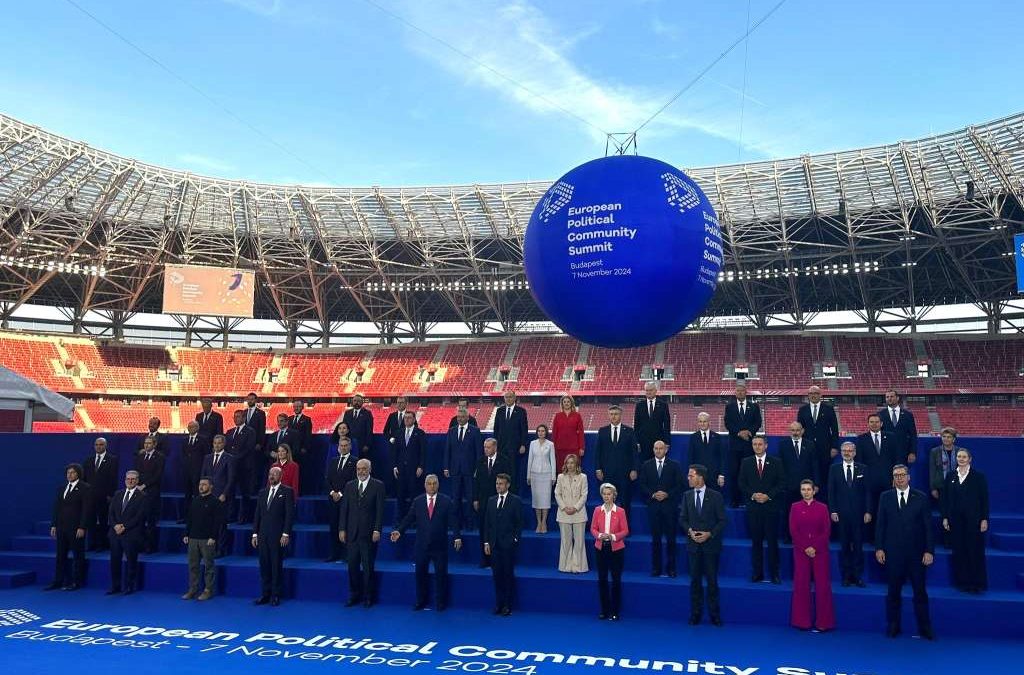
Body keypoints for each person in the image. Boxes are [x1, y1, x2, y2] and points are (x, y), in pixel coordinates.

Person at [875, 464, 934, 639]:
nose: (899, 478)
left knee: (920, 592)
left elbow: (928, 527)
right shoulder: (885, 497)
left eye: (902, 475)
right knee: (893, 591)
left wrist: (929, 551)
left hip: (917, 554)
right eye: (896, 475)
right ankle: (894, 625)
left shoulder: (921, 497)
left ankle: (925, 627)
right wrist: (879, 548)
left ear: (909, 477)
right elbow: (880, 525)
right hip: (893, 553)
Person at [391, 474, 462, 611]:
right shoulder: (418, 501)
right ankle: (421, 601)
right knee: (420, 574)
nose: (432, 486)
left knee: (441, 575)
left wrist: (457, 537)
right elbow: (409, 518)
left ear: (438, 485)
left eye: (434, 483)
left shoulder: (446, 501)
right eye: (429, 483)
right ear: (425, 485)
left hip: (439, 545)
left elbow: (453, 520)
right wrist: (399, 531)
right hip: (421, 545)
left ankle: (440, 602)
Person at [680, 464, 726, 626]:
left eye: (691, 475)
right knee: (695, 581)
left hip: (710, 546)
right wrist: (690, 531)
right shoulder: (686, 496)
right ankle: (695, 613)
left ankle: (715, 614)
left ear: (700, 477)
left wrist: (709, 534)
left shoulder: (715, 496)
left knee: (712, 581)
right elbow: (683, 519)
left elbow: (722, 521)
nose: (688, 478)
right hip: (693, 546)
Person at [790, 479, 834, 632]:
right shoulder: (795, 507)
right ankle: (802, 621)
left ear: (814, 491)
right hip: (801, 552)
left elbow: (826, 530)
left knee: (823, 586)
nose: (806, 492)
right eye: (803, 489)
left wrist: (814, 546)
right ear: (800, 491)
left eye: (809, 489)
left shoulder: (823, 508)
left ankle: (824, 622)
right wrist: (805, 547)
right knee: (801, 585)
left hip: (820, 551)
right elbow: (793, 530)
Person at [942, 449, 989, 594]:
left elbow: (984, 500)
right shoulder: (950, 476)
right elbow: (945, 500)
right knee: (959, 551)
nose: (961, 459)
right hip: (956, 521)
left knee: (974, 551)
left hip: (974, 521)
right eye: (959, 456)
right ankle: (962, 582)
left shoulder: (978, 477)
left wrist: (984, 519)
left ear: (970, 459)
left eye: (964, 457)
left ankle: (977, 583)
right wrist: (945, 517)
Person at [339, 459, 385, 607]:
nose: (361, 472)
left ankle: (368, 597)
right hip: (352, 534)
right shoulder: (349, 486)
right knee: (352, 566)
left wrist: (377, 529)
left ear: (370, 469)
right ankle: (354, 595)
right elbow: (344, 509)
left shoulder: (378, 486)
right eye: (359, 469)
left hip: (369, 534)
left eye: (364, 469)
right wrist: (342, 529)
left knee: (368, 568)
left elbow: (380, 511)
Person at [739, 435, 784, 583]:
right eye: (754, 444)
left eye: (760, 444)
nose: (757, 447)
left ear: (766, 446)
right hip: (754, 509)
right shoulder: (746, 462)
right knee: (756, 543)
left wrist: (768, 496)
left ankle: (774, 573)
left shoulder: (776, 463)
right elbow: (742, 483)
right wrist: (753, 495)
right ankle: (757, 573)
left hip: (771, 508)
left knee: (772, 542)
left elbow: (781, 483)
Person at [638, 440, 684, 577]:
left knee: (671, 539)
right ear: (653, 450)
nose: (658, 450)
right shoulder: (646, 465)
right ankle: (656, 568)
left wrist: (667, 494)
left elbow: (680, 485)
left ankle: (671, 568)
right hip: (653, 507)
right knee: (656, 540)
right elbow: (642, 484)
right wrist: (652, 494)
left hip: (669, 507)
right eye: (656, 448)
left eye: (660, 448)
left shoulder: (674, 465)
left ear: (666, 450)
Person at [827, 441, 870, 587]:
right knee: (844, 546)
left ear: (855, 453)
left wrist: (868, 511)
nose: (847, 453)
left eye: (850, 450)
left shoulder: (863, 468)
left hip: (859, 515)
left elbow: (867, 493)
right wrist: (832, 510)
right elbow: (831, 492)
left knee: (858, 546)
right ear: (841, 452)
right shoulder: (834, 469)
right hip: (841, 515)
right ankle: (846, 576)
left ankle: (857, 576)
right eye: (844, 450)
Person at [252, 466, 295, 606]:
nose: (272, 476)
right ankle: (265, 594)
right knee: (264, 565)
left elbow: (289, 515)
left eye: (275, 474)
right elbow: (257, 514)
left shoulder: (287, 492)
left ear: (280, 476)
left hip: (278, 535)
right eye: (270, 474)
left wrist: (286, 533)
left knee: (276, 565)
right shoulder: (262, 493)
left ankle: (276, 595)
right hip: (263, 535)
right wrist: (254, 533)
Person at [46, 463, 91, 591]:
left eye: (72, 472)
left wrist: (82, 527)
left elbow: (86, 510)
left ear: (78, 474)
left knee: (78, 555)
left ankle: (77, 582)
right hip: (61, 527)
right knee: (60, 555)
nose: (69, 475)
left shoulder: (85, 488)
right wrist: (54, 524)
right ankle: (58, 581)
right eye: (68, 473)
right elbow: (57, 508)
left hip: (76, 528)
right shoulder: (62, 488)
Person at [483, 473, 523, 616]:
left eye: (501, 483)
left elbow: (519, 524)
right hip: (494, 545)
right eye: (497, 483)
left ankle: (507, 605)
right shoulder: (491, 501)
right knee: (496, 576)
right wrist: (487, 541)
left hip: (508, 545)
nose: (498, 486)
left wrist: (515, 540)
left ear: (507, 485)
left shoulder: (515, 501)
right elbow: (487, 523)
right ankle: (498, 604)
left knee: (507, 575)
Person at [590, 483, 629, 621]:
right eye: (604, 494)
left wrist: (612, 536)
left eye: (609, 494)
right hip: (601, 548)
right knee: (602, 579)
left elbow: (625, 530)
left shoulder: (620, 511)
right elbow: (593, 528)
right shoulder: (597, 510)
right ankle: (604, 610)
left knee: (616, 580)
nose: (607, 496)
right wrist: (600, 536)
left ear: (614, 495)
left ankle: (615, 611)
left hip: (616, 549)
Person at [182, 477, 224, 600]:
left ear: (211, 486)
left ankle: (208, 590)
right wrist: (186, 534)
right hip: (193, 539)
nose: (201, 487)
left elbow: (217, 522)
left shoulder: (215, 502)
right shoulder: (195, 501)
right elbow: (189, 519)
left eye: (204, 484)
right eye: (200, 484)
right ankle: (193, 589)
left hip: (207, 539)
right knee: (193, 566)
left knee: (208, 566)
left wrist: (213, 537)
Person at [107, 470, 147, 595]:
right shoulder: (118, 494)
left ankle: (130, 586)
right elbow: (111, 513)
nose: (130, 481)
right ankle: (115, 586)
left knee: (131, 560)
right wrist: (115, 526)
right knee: (115, 560)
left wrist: (124, 526)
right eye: (128, 479)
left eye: (133, 479)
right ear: (125, 480)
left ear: (137, 481)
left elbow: (139, 516)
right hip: (115, 533)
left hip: (131, 533)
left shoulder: (142, 496)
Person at [443, 407, 483, 531]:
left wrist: (478, 468)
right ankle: (456, 524)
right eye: (458, 417)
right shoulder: (451, 431)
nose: (459, 419)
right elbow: (447, 450)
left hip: (470, 471)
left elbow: (479, 452)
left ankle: (470, 524)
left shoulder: (475, 431)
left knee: (470, 498)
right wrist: (446, 467)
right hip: (455, 470)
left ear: (467, 417)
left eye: (462, 417)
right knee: (456, 498)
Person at [857, 414, 896, 541]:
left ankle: (887, 536)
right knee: (871, 509)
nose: (874, 424)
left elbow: (896, 458)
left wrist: (895, 477)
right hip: (869, 482)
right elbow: (860, 462)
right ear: (867, 424)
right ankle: (872, 537)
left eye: (876, 421)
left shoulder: (891, 437)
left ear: (881, 423)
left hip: (888, 480)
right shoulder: (861, 439)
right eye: (871, 422)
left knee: (888, 509)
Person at [797, 386, 840, 500]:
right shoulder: (802, 410)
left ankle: (824, 501)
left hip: (825, 449)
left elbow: (835, 429)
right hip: (807, 448)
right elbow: (799, 428)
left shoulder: (829, 409)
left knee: (825, 474)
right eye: (811, 393)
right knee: (809, 472)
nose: (813, 395)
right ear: (808, 396)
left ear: (820, 395)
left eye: (816, 393)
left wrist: (835, 447)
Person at [474, 439, 512, 567]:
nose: (485, 450)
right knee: (484, 529)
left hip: (499, 501)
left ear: (495, 447)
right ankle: (485, 559)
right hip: (484, 502)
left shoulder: (504, 460)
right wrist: (475, 499)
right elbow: (476, 482)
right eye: (484, 447)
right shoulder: (480, 461)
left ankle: (498, 560)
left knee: (498, 530)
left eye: (488, 447)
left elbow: (508, 481)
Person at [724, 382, 762, 507]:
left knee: (748, 473)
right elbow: (728, 423)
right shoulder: (729, 407)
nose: (740, 393)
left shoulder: (754, 407)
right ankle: (735, 500)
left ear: (746, 392)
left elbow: (758, 422)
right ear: (735, 393)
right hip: (734, 446)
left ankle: (748, 499)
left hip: (749, 446)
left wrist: (749, 432)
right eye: (738, 391)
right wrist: (739, 433)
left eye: (742, 391)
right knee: (734, 473)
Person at [778, 421, 817, 544]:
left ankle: (806, 537)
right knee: (788, 513)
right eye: (793, 430)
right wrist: (782, 484)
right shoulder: (783, 445)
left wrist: (815, 484)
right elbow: (780, 466)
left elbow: (815, 466)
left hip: (807, 488)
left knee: (807, 514)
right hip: (788, 486)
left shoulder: (810, 445)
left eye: (797, 430)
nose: (795, 433)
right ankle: (788, 537)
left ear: (802, 431)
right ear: (790, 431)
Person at [594, 405, 639, 507]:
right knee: (608, 503)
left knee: (625, 503)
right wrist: (598, 468)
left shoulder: (629, 431)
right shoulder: (602, 431)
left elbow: (634, 452)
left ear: (620, 415)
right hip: (607, 473)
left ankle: (624, 523)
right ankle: (608, 523)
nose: (613, 416)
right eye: (611, 414)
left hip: (625, 473)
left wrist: (634, 469)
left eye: (616, 414)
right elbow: (598, 451)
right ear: (608, 416)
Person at [200, 435, 236, 557]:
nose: (216, 445)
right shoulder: (207, 458)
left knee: (220, 524)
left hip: (221, 496)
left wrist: (224, 494)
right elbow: (203, 476)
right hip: (208, 496)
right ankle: (208, 549)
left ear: (223, 444)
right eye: (215, 443)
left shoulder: (229, 458)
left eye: (219, 443)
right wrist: (202, 491)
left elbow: (231, 479)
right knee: (207, 523)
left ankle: (221, 549)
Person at [554, 454, 588, 573]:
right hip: (564, 513)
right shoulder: (560, 477)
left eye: (572, 463)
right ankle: (565, 566)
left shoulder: (583, 477)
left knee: (579, 541)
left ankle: (578, 567)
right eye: (568, 463)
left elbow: (584, 495)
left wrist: (575, 507)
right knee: (565, 541)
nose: (570, 465)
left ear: (576, 464)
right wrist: (564, 507)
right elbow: (557, 494)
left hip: (579, 513)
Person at [325, 437, 358, 562]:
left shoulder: (355, 462)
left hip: (347, 500)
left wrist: (341, 493)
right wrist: (333, 492)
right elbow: (327, 479)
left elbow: (354, 481)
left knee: (347, 527)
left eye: (345, 445)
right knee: (333, 526)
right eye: (341, 445)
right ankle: (334, 554)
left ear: (350, 447)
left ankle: (347, 555)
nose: (343, 447)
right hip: (333, 500)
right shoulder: (333, 461)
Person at [83, 437, 118, 551]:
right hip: (90, 497)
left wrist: (110, 495)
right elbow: (84, 479)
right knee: (91, 521)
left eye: (101, 444)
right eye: (96, 444)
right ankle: (92, 543)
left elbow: (113, 479)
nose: (98, 446)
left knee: (103, 521)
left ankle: (102, 544)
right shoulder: (88, 460)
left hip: (104, 497)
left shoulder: (112, 460)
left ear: (105, 446)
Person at [392, 410, 427, 524]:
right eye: (405, 418)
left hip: (414, 469)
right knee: (400, 495)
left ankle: (413, 520)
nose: (407, 420)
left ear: (414, 419)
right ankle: (400, 520)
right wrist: (394, 466)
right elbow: (395, 452)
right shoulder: (399, 433)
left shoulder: (420, 433)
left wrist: (421, 466)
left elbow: (423, 452)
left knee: (414, 495)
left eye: (409, 418)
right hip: (401, 469)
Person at [226, 408, 258, 524]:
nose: (236, 419)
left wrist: (234, 458)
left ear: (244, 418)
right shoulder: (229, 432)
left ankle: (243, 517)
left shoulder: (250, 431)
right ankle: (231, 516)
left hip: (244, 467)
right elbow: (227, 448)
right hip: (231, 468)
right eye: (234, 417)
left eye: (238, 417)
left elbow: (249, 448)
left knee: (245, 494)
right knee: (230, 493)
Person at [493, 391, 529, 490]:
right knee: (501, 472)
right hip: (501, 447)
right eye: (506, 397)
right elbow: (496, 429)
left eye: (510, 397)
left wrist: (523, 444)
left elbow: (524, 429)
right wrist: (495, 445)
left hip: (515, 447)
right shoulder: (499, 410)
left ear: (514, 398)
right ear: (504, 398)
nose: (508, 399)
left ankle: (513, 494)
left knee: (513, 472)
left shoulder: (521, 411)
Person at [135, 436, 165, 553]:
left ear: (154, 444)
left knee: (150, 521)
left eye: (149, 443)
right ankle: (140, 545)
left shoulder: (160, 457)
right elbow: (136, 471)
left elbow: (158, 475)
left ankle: (150, 546)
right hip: (139, 491)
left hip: (151, 492)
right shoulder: (140, 456)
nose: (146, 445)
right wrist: (138, 485)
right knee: (139, 520)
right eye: (145, 443)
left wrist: (145, 485)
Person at [527, 424, 556, 533]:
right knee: (537, 500)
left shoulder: (550, 444)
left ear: (546, 432)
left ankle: (544, 522)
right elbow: (530, 460)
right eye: (539, 431)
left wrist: (553, 476)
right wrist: (528, 475)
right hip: (534, 474)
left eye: (543, 431)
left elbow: (553, 460)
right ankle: (538, 522)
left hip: (546, 474)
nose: (541, 433)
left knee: (545, 500)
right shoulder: (532, 444)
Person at [634, 381, 671, 465]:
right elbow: (636, 425)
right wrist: (637, 442)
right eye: (647, 390)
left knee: (659, 465)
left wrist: (667, 442)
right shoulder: (639, 405)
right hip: (643, 443)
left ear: (655, 391)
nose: (648, 392)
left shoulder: (663, 405)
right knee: (644, 465)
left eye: (650, 390)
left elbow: (667, 425)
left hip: (659, 442)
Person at [180, 421, 211, 522]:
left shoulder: (203, 439)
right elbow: (184, 455)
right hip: (186, 472)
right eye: (189, 426)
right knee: (187, 495)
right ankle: (186, 517)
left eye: (192, 426)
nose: (190, 428)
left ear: (197, 428)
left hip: (198, 472)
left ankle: (197, 517)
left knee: (197, 495)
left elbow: (207, 456)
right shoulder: (184, 440)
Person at [878, 389, 918, 465]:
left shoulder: (908, 415)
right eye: (887, 397)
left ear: (897, 398)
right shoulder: (880, 414)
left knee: (902, 475)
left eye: (892, 396)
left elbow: (913, 435)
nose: (889, 398)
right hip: (885, 454)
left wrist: (912, 452)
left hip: (903, 454)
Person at [688, 413, 725, 492]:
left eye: (705, 421)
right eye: (700, 421)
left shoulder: (717, 437)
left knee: (713, 500)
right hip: (698, 475)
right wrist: (691, 475)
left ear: (709, 422)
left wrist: (721, 475)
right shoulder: (693, 437)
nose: (702, 424)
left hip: (714, 476)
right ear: (698, 423)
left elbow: (722, 457)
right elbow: (690, 457)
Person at [552, 394, 585, 471]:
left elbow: (581, 433)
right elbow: (554, 433)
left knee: (575, 470)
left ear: (571, 403)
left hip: (574, 448)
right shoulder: (557, 416)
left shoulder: (577, 415)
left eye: (568, 402)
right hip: (560, 448)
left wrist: (582, 447)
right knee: (561, 470)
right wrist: (553, 447)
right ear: (562, 404)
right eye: (564, 402)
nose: (566, 403)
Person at [929, 427, 961, 504]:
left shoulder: (959, 451)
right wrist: (933, 488)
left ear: (954, 439)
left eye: (949, 437)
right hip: (941, 486)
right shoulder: (935, 451)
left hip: (956, 485)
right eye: (944, 437)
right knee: (944, 510)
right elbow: (932, 470)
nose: (946, 439)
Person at [341, 394, 373, 467]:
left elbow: (369, 430)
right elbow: (344, 427)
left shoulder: (367, 413)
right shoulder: (347, 413)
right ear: (352, 402)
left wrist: (367, 444)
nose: (356, 402)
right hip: (349, 444)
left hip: (361, 446)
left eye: (358, 401)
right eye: (355, 401)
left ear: (362, 402)